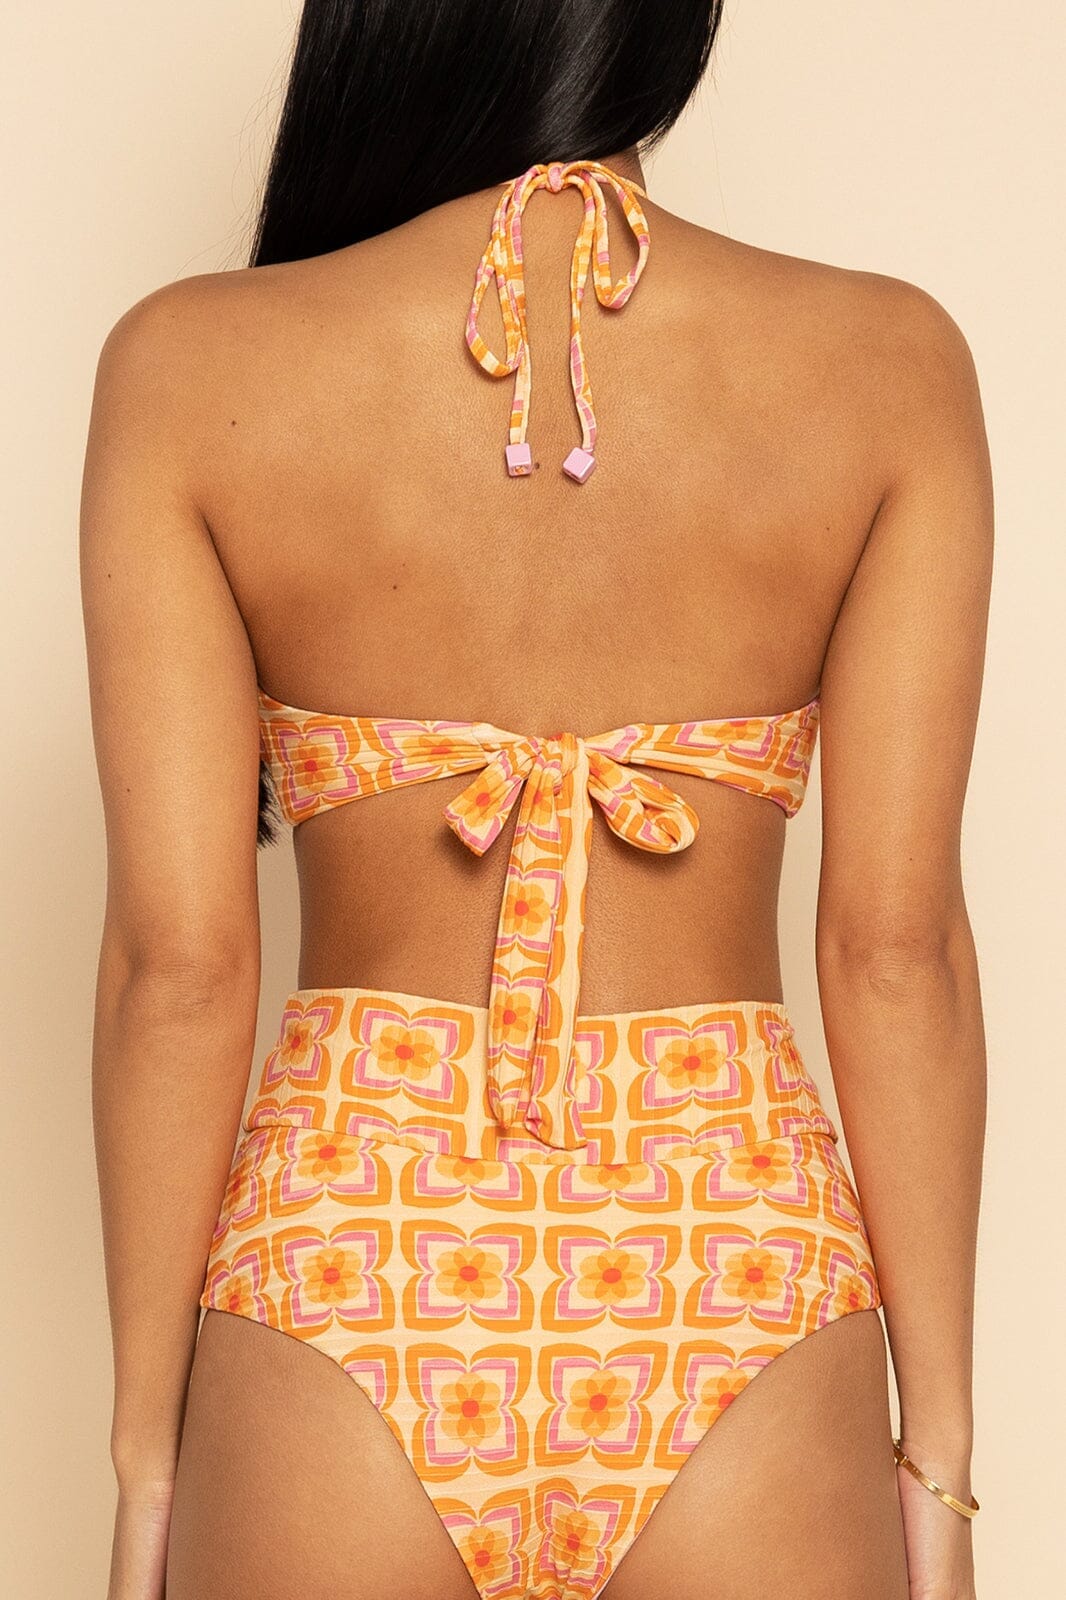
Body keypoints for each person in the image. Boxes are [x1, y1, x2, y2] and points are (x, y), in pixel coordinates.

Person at [80, 4, 991, 1598]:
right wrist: (942, 1461)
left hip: (351, 1238)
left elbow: (183, 969)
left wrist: (150, 1460)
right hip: (731, 1240)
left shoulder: (191, 363)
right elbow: (892, 953)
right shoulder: (887, 360)